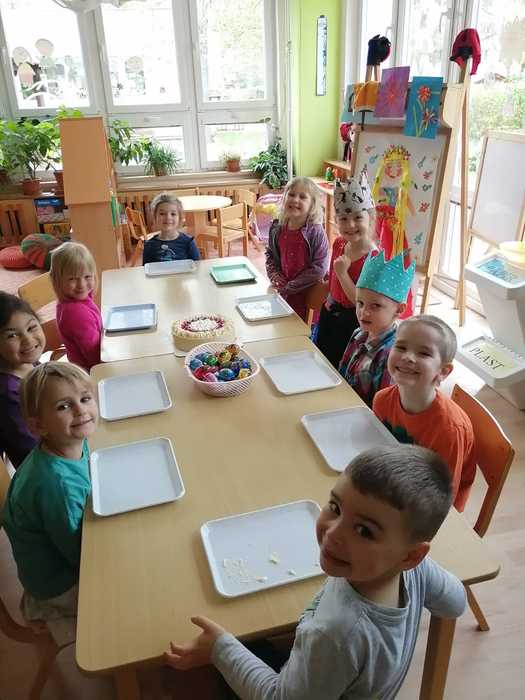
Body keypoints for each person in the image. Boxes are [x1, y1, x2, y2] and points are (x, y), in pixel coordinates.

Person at [164, 445, 466, 700]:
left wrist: (218, 648)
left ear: (410, 555)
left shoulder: (335, 635)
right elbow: (455, 602)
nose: (333, 534)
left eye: (364, 530)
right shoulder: (413, 568)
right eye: (335, 507)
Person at [2, 362, 98, 645]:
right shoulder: (56, 485)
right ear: (37, 426)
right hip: (60, 588)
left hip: (58, 564)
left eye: (85, 398)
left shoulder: (70, 442)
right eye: (63, 406)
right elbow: (85, 559)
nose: (80, 411)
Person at [373, 315, 476, 512]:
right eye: (401, 347)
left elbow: (443, 495)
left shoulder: (449, 430)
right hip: (393, 481)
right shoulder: (382, 400)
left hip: (431, 506)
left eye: (424, 353)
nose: (408, 357)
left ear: (443, 372)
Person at [315, 173, 377, 368]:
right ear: (336, 221)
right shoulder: (339, 243)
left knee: (339, 366)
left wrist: (342, 274)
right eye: (343, 218)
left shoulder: (373, 257)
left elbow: (361, 303)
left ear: (370, 218)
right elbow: (332, 279)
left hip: (351, 324)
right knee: (322, 360)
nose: (350, 225)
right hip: (329, 313)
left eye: (358, 217)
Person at [339, 249, 415, 406]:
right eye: (360, 303)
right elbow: (342, 374)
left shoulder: (392, 355)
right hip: (343, 404)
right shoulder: (358, 334)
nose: (363, 312)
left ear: (399, 310)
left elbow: (383, 407)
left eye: (375, 306)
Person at [265, 177, 329, 321]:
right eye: (292, 194)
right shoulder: (277, 227)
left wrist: (291, 286)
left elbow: (320, 268)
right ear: (284, 197)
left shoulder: (315, 231)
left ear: (312, 204)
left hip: (308, 293)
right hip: (284, 293)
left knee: (303, 329)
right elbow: (270, 254)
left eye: (302, 197)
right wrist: (274, 274)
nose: (295, 200)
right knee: (283, 326)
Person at [0, 292, 45, 469]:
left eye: (31, 327)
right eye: (12, 335)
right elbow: (32, 450)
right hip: (46, 471)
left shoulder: (27, 364)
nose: (28, 340)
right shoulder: (8, 394)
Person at [50, 241, 102, 371]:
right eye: (72, 279)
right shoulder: (76, 313)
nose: (81, 285)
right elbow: (95, 357)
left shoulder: (75, 301)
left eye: (87, 276)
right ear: (57, 280)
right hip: (90, 372)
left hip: (86, 365)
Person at [143, 192, 200, 265]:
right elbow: (146, 269)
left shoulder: (188, 242)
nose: (168, 217)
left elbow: (197, 266)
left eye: (173, 214)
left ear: (180, 218)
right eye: (162, 214)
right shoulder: (149, 245)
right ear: (154, 217)